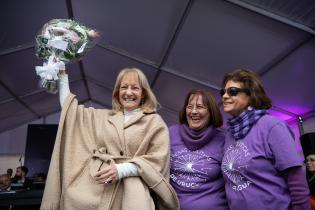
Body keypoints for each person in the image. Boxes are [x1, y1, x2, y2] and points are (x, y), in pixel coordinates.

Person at [40, 68, 179, 210]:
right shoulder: (104, 117)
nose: (128, 92)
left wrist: (122, 169)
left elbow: (158, 160)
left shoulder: (155, 122)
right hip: (99, 185)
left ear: (143, 93)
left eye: (135, 88)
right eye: (124, 87)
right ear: (118, 92)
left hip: (133, 193)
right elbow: (71, 111)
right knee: (74, 198)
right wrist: (62, 74)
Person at [220, 69, 310, 210]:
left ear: (250, 95)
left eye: (232, 91)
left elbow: (296, 180)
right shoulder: (230, 134)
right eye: (223, 92)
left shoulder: (271, 126)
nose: (224, 96)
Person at [169, 89, 229, 210]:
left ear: (211, 112)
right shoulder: (171, 133)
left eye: (200, 107)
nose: (194, 111)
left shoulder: (223, 139)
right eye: (190, 106)